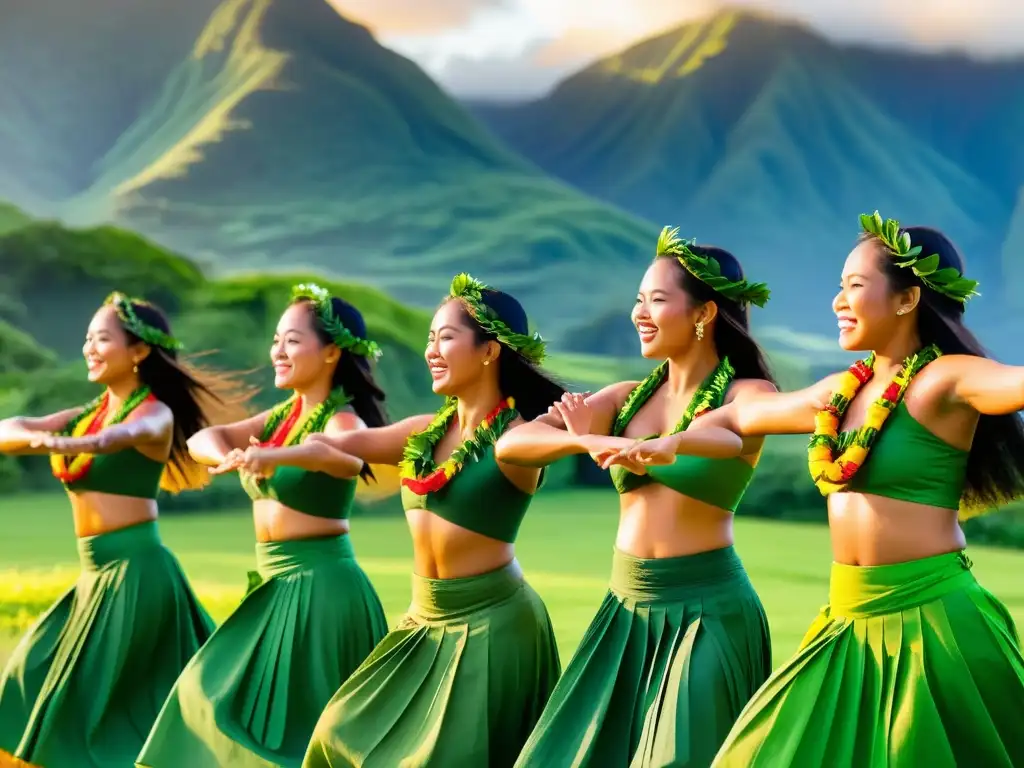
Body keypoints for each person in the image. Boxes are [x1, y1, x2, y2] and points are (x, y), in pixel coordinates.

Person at [635, 213, 1024, 767]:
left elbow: (1013, 383)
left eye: (855, 287)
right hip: (846, 618)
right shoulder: (841, 392)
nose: (838, 302)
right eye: (839, 287)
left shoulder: (945, 378)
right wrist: (675, 442)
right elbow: (745, 415)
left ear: (907, 299)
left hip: (932, 619)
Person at [499, 228, 777, 767]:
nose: (638, 313)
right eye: (637, 300)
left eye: (656, 299)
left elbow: (736, 433)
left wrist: (644, 447)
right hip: (625, 610)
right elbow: (514, 445)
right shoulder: (625, 399)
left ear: (704, 313)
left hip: (707, 615)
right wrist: (585, 438)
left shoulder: (746, 395)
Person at [300, 273, 564, 768]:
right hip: (424, 619)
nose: (432, 350)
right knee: (337, 732)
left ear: (490, 350)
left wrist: (594, 440)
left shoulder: (517, 437)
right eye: (430, 337)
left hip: (495, 626)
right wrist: (283, 453)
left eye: (445, 337)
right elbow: (345, 443)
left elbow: (549, 441)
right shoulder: (426, 430)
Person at [136, 284, 390, 767]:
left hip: (321, 592)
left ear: (332, 351)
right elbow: (207, 438)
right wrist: (232, 455)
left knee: (307, 738)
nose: (277, 350)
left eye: (292, 341)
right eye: (277, 339)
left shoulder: (341, 421)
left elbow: (345, 460)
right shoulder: (281, 417)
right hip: (276, 587)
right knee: (203, 694)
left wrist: (277, 455)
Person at [0, 293, 246, 768]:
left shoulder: (153, 413)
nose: (90, 347)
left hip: (136, 575)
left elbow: (122, 436)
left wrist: (83, 441)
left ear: (138, 351)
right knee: (29, 677)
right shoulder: (88, 412)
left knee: (108, 711)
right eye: (88, 338)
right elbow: (8, 427)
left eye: (102, 338)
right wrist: (37, 437)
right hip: (95, 576)